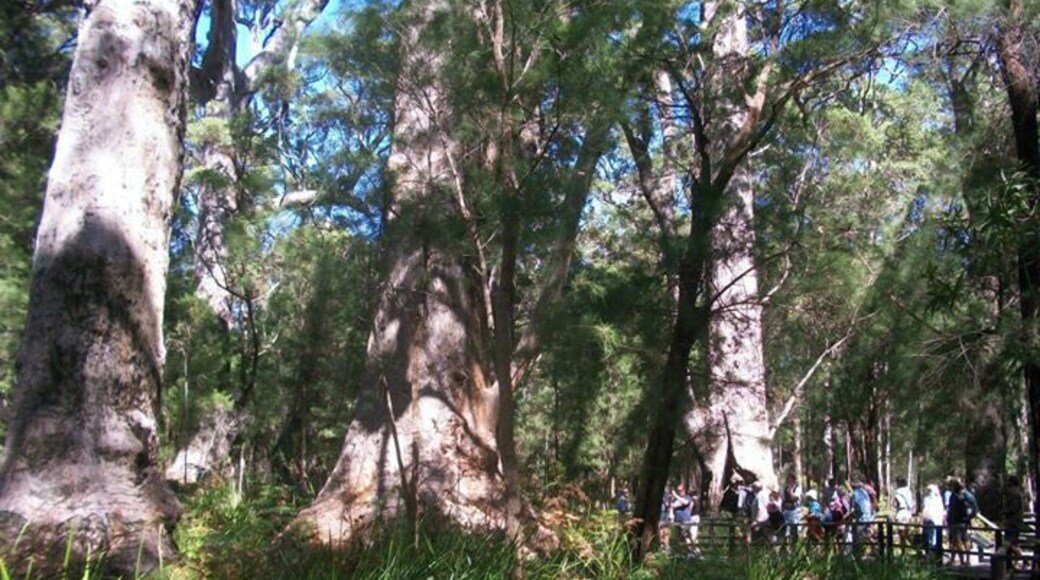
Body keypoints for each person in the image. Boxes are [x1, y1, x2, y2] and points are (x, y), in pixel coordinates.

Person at [1003, 475, 1025, 570]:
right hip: (1016, 522)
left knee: (1009, 543)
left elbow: (1013, 508)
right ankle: (1013, 563)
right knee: (1013, 543)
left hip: (1012, 522)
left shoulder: (1013, 493)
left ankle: (1022, 560)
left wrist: (1005, 511)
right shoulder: (1018, 492)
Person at [671, 483, 699, 554]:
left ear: (684, 490)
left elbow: (685, 502)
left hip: (685, 520)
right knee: (678, 538)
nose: (679, 492)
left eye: (681, 490)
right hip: (677, 521)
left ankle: (692, 551)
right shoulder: (676, 499)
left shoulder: (687, 497)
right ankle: (680, 552)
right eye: (678, 490)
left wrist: (676, 496)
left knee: (687, 536)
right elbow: (673, 506)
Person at [850, 478, 876, 553]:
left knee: (858, 536)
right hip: (870, 517)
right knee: (868, 534)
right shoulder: (864, 492)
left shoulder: (854, 494)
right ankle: (874, 549)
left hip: (862, 518)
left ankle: (859, 553)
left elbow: (853, 507)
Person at [920, 483, 946, 558]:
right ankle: (934, 554)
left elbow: (926, 510)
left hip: (931, 520)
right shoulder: (938, 499)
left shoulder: (928, 499)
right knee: (932, 537)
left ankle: (933, 554)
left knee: (931, 537)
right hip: (934, 520)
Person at [891, 476, 915, 550]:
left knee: (901, 532)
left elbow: (896, 503)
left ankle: (903, 549)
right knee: (907, 532)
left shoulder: (898, 492)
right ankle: (914, 546)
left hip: (901, 512)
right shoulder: (908, 491)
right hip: (908, 512)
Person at [781, 474, 803, 544]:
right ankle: (787, 548)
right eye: (788, 480)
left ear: (794, 481)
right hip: (786, 512)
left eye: (791, 480)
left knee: (794, 530)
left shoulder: (797, 488)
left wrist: (790, 491)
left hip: (795, 512)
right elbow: (783, 500)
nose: (789, 482)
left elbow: (794, 498)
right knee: (786, 531)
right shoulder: (785, 488)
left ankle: (795, 547)